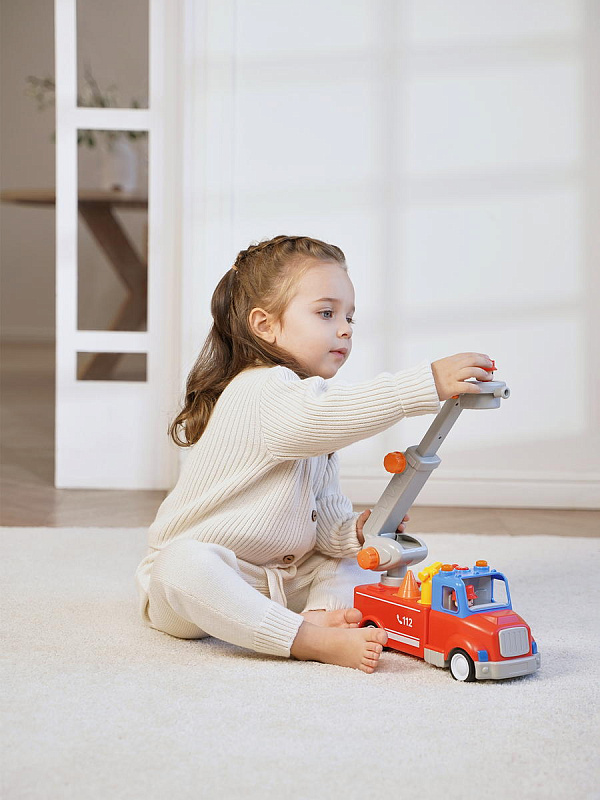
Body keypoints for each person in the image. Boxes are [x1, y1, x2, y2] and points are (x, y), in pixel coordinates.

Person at [135, 235, 494, 674]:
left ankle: (322, 616)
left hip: (278, 579)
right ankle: (307, 639)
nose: (345, 328)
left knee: (353, 559)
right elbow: (328, 415)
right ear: (265, 325)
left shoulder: (306, 405)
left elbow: (321, 517)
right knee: (181, 564)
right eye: (326, 313)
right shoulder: (261, 388)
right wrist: (425, 383)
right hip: (204, 582)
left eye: (349, 317)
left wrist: (353, 532)